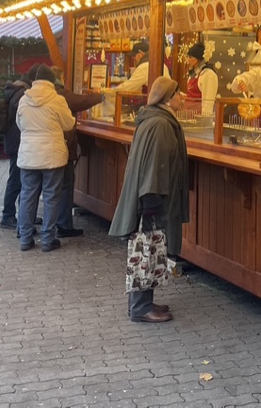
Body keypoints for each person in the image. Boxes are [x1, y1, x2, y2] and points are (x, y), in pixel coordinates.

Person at [109, 76, 189, 323]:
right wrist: (152, 198)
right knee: (146, 248)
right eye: (178, 92)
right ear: (167, 98)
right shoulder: (161, 125)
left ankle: (143, 302)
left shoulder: (155, 120)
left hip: (151, 195)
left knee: (150, 248)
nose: (183, 96)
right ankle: (141, 308)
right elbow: (155, 164)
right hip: (153, 198)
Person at [16, 65, 75, 253]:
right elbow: (68, 124)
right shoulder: (58, 100)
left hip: (29, 154)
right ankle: (48, 239)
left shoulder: (24, 100)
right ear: (52, 81)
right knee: (51, 197)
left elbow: (20, 124)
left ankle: (25, 238)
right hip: (52, 155)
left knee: (27, 195)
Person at [50, 66, 101, 238]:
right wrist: (100, 95)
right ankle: (63, 225)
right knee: (63, 186)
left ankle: (28, 229)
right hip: (61, 147)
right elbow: (81, 103)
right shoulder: (61, 95)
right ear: (60, 77)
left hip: (38, 151)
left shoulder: (33, 96)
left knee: (40, 188)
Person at [0, 68, 35, 231]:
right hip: (18, 142)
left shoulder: (15, 91)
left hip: (14, 141)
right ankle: (8, 216)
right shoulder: (22, 95)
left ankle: (22, 215)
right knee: (16, 181)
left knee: (17, 179)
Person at [183, 41, 217, 117]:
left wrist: (204, 120)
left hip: (198, 118)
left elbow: (208, 102)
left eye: (190, 57)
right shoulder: (193, 74)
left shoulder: (208, 74)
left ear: (199, 59)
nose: (188, 60)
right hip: (189, 116)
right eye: (187, 57)